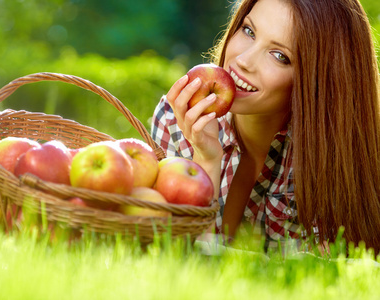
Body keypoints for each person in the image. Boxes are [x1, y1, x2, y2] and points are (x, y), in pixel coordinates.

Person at [151, 0, 380, 254]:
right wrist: (206, 161)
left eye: (280, 56)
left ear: (320, 81)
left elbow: (322, 279)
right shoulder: (177, 122)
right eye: (249, 31)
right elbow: (172, 258)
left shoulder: (333, 165)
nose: (244, 60)